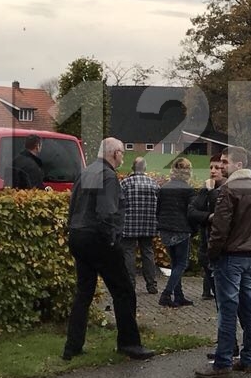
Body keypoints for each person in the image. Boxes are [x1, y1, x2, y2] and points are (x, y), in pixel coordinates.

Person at [62, 138, 154, 361]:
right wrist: (113, 241)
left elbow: (73, 205)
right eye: (122, 153)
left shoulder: (86, 172)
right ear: (114, 154)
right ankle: (129, 343)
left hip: (78, 235)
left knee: (84, 293)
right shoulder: (109, 176)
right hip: (98, 238)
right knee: (123, 290)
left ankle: (72, 346)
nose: (123, 157)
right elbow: (108, 213)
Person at [197, 147, 251, 378]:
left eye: (226, 162)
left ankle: (223, 361)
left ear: (239, 165)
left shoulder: (228, 191)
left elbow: (220, 228)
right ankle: (249, 359)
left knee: (227, 310)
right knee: (249, 308)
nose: (222, 166)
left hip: (230, 256)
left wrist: (212, 253)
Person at [156, 157, 196, 307]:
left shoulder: (165, 187)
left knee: (175, 264)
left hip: (165, 228)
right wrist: (193, 228)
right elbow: (191, 211)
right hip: (181, 229)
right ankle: (166, 294)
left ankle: (179, 295)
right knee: (181, 264)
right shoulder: (188, 190)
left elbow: (158, 208)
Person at [120, 157, 161, 295]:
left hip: (129, 224)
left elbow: (118, 203)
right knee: (148, 252)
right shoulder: (153, 184)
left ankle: (130, 284)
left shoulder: (125, 183)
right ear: (145, 168)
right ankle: (151, 285)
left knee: (129, 253)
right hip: (148, 224)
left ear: (132, 168)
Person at [189, 155, 227, 299]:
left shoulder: (226, 190)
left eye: (217, 168)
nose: (213, 171)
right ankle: (209, 292)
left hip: (220, 241)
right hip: (206, 238)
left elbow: (221, 213)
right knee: (207, 265)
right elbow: (191, 210)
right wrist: (207, 217)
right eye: (211, 167)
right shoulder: (206, 189)